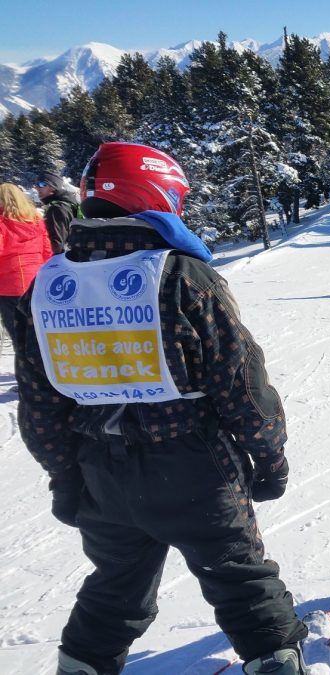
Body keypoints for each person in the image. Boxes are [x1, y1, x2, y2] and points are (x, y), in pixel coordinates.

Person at [14, 142, 309, 675]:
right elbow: (242, 382)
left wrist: (66, 476)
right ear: (157, 193)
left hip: (102, 466)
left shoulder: (48, 286)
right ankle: (276, 663)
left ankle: (79, 667)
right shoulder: (178, 276)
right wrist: (269, 459)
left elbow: (40, 406)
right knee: (240, 578)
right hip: (193, 463)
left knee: (115, 585)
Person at [0, 184, 52, 343]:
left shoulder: (2, 223)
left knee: (19, 339)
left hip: (9, 286)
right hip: (37, 284)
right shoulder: (36, 220)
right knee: (39, 337)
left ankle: (25, 366)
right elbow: (47, 252)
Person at [34, 170, 80, 254]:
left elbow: (56, 245)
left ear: (53, 187)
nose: (37, 187)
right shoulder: (67, 204)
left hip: (58, 260)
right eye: (36, 184)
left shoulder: (57, 209)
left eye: (42, 184)